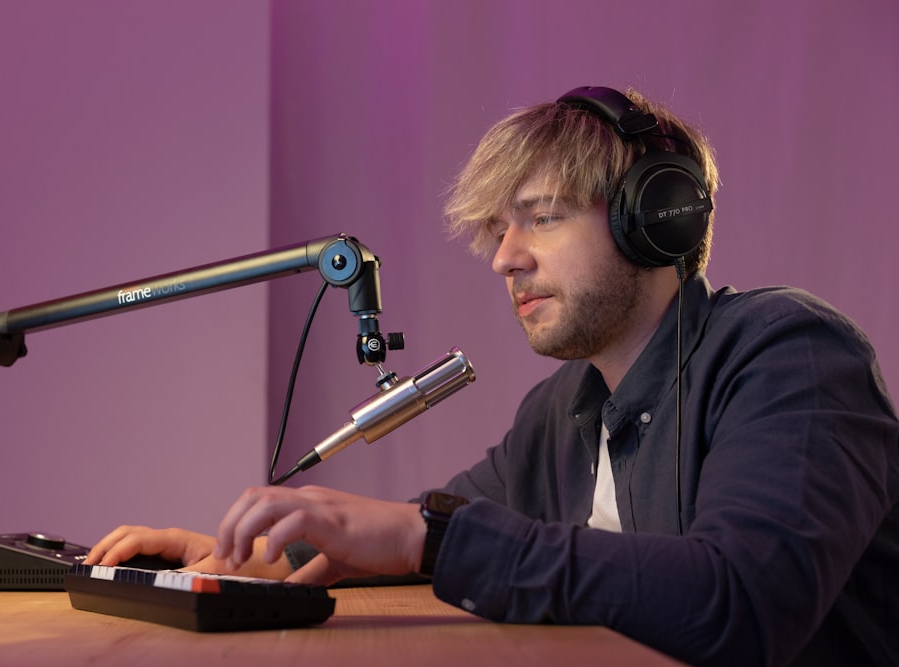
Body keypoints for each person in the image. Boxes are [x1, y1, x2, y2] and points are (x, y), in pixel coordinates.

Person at [84, 86, 899, 666]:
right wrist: (256, 556)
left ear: (656, 217)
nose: (506, 257)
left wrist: (425, 536)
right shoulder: (564, 410)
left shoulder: (791, 355)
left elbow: (746, 605)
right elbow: (420, 544)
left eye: (541, 216)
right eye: (499, 229)